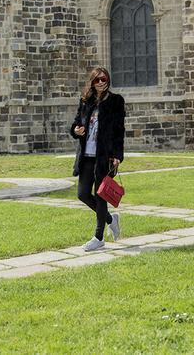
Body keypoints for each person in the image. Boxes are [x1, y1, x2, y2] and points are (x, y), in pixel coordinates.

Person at [70, 66, 125, 251]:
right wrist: (76, 130)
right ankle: (110, 218)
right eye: (97, 79)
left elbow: (119, 131)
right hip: (86, 156)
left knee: (101, 196)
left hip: (105, 157)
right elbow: (76, 123)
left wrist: (117, 155)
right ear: (92, 82)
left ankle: (98, 237)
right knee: (83, 194)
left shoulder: (116, 101)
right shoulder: (85, 101)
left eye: (104, 79)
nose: (101, 82)